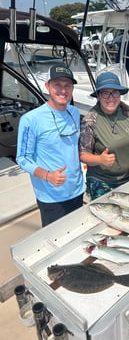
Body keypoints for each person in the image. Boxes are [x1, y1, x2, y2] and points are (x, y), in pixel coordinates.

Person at [16, 64, 85, 227]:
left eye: (67, 85)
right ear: (47, 86)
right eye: (57, 85)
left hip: (77, 190)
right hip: (51, 197)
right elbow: (22, 158)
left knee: (76, 236)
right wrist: (48, 175)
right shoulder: (30, 119)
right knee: (57, 244)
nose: (63, 90)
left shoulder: (74, 112)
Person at [79, 72, 129, 200]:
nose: (111, 98)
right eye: (105, 93)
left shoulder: (128, 113)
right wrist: (100, 160)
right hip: (102, 181)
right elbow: (83, 155)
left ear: (120, 94)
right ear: (98, 96)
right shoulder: (90, 120)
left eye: (115, 92)